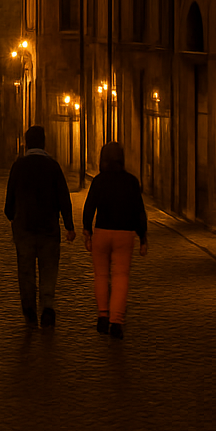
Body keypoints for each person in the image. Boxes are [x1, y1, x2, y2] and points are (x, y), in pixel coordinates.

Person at [3, 124, 75, 328]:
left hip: (24, 227)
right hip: (48, 228)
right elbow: (63, 197)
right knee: (49, 268)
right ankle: (47, 306)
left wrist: (12, 216)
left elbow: (9, 199)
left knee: (25, 270)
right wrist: (69, 225)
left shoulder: (19, 166)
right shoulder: (53, 166)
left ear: (26, 143)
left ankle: (29, 310)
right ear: (44, 143)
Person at [82, 141, 148, 339]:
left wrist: (87, 231)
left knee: (101, 276)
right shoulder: (131, 181)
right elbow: (139, 211)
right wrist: (143, 236)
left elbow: (89, 206)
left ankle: (103, 314)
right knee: (121, 277)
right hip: (124, 234)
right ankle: (116, 321)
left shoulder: (99, 181)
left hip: (102, 232)